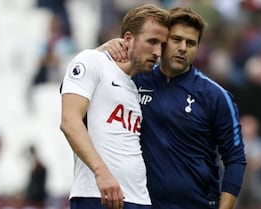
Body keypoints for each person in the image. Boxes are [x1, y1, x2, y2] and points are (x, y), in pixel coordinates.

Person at [99, 6, 246, 209]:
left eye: (191, 43)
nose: (183, 47)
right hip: (141, 203)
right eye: (176, 39)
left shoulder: (215, 96)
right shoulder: (133, 80)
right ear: (163, 42)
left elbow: (235, 159)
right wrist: (103, 51)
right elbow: (77, 87)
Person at [59, 4, 169, 209]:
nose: (157, 52)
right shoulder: (92, 61)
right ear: (128, 39)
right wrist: (102, 173)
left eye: (162, 45)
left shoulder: (136, 86)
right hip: (98, 193)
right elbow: (69, 121)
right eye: (152, 41)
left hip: (139, 198)